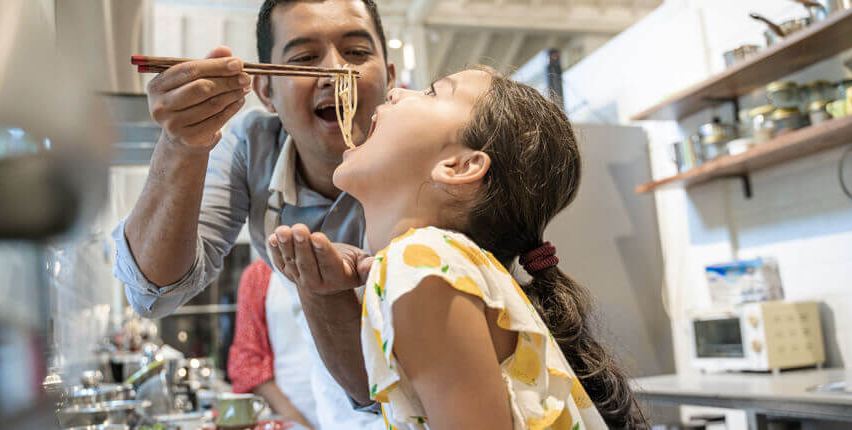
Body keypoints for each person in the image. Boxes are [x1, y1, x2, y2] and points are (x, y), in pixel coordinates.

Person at [268, 68, 649, 429]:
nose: (396, 91)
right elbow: (378, 393)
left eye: (434, 91)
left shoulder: (423, 263)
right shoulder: (429, 263)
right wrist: (326, 290)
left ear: (458, 166)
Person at [112, 0, 395, 427]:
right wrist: (181, 144)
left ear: (391, 79)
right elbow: (155, 293)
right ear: (265, 91)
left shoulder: (430, 153)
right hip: (341, 397)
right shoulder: (252, 147)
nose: (336, 73)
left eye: (356, 52)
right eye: (304, 59)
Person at [228, 260, 315, 429]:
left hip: (362, 417)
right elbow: (247, 363)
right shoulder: (259, 274)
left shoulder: (355, 255)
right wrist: (300, 424)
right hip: (290, 414)